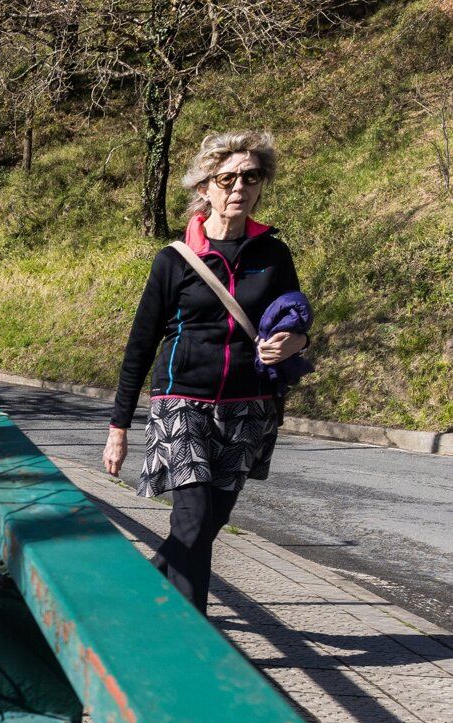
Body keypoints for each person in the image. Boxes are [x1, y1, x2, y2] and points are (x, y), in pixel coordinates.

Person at [102, 131, 311, 614]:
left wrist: (294, 342)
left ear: (261, 185)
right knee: (192, 517)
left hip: (248, 408)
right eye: (227, 178)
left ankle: (136, 593)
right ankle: (189, 635)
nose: (240, 187)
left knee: (207, 524)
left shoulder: (274, 255)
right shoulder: (174, 260)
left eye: (251, 177)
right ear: (205, 187)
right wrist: (118, 428)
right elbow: (140, 346)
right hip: (181, 402)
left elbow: (296, 322)